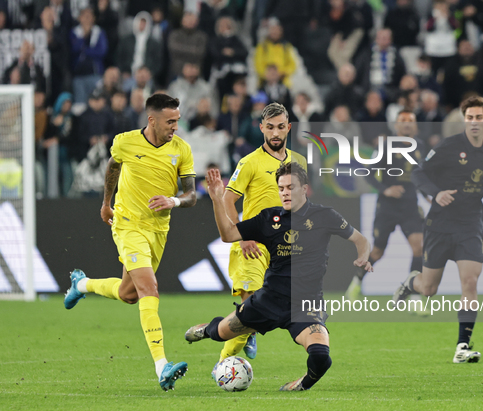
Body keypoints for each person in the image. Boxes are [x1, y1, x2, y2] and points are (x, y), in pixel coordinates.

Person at [185, 163, 372, 390]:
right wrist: (216, 199)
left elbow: (361, 240)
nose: (284, 192)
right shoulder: (269, 218)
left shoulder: (325, 216)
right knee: (220, 333)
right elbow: (228, 235)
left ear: (304, 188)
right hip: (267, 301)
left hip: (305, 304)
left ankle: (301, 384)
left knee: (321, 356)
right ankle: (205, 330)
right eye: (281, 188)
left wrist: (363, 258)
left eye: (289, 187)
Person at [64, 93, 197, 391]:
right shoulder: (125, 141)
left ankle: (81, 285)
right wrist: (106, 203)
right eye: (170, 121)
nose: (175, 126)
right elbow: (113, 167)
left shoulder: (182, 150)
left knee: (129, 294)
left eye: (177, 120)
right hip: (127, 225)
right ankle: (162, 366)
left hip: (158, 230)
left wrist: (173, 200)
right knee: (149, 288)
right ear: (152, 120)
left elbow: (192, 195)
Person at [393, 96, 483, 364]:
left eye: (479, 117)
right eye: (470, 117)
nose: (474, 122)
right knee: (429, 288)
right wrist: (436, 192)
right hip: (440, 223)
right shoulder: (448, 146)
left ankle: (462, 346)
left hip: (470, 223)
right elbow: (419, 173)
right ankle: (411, 283)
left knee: (470, 282)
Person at [211, 102, 307, 376]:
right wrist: (242, 237)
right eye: (270, 127)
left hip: (285, 249)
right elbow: (229, 200)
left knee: (255, 317)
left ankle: (248, 334)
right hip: (253, 246)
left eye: (280, 127)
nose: (275, 133)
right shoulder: (250, 162)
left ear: (288, 128)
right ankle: (222, 365)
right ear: (262, 128)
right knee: (249, 311)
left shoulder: (299, 161)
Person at [346, 110, 424, 301]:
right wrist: (386, 190)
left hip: (410, 206)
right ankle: (357, 280)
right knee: (378, 251)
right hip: (387, 207)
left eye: (410, 120)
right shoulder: (386, 146)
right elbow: (368, 173)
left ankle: (413, 294)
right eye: (402, 121)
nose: (406, 124)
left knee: (419, 247)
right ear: (396, 125)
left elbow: (423, 175)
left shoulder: (421, 147)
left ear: (415, 125)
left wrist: (429, 194)